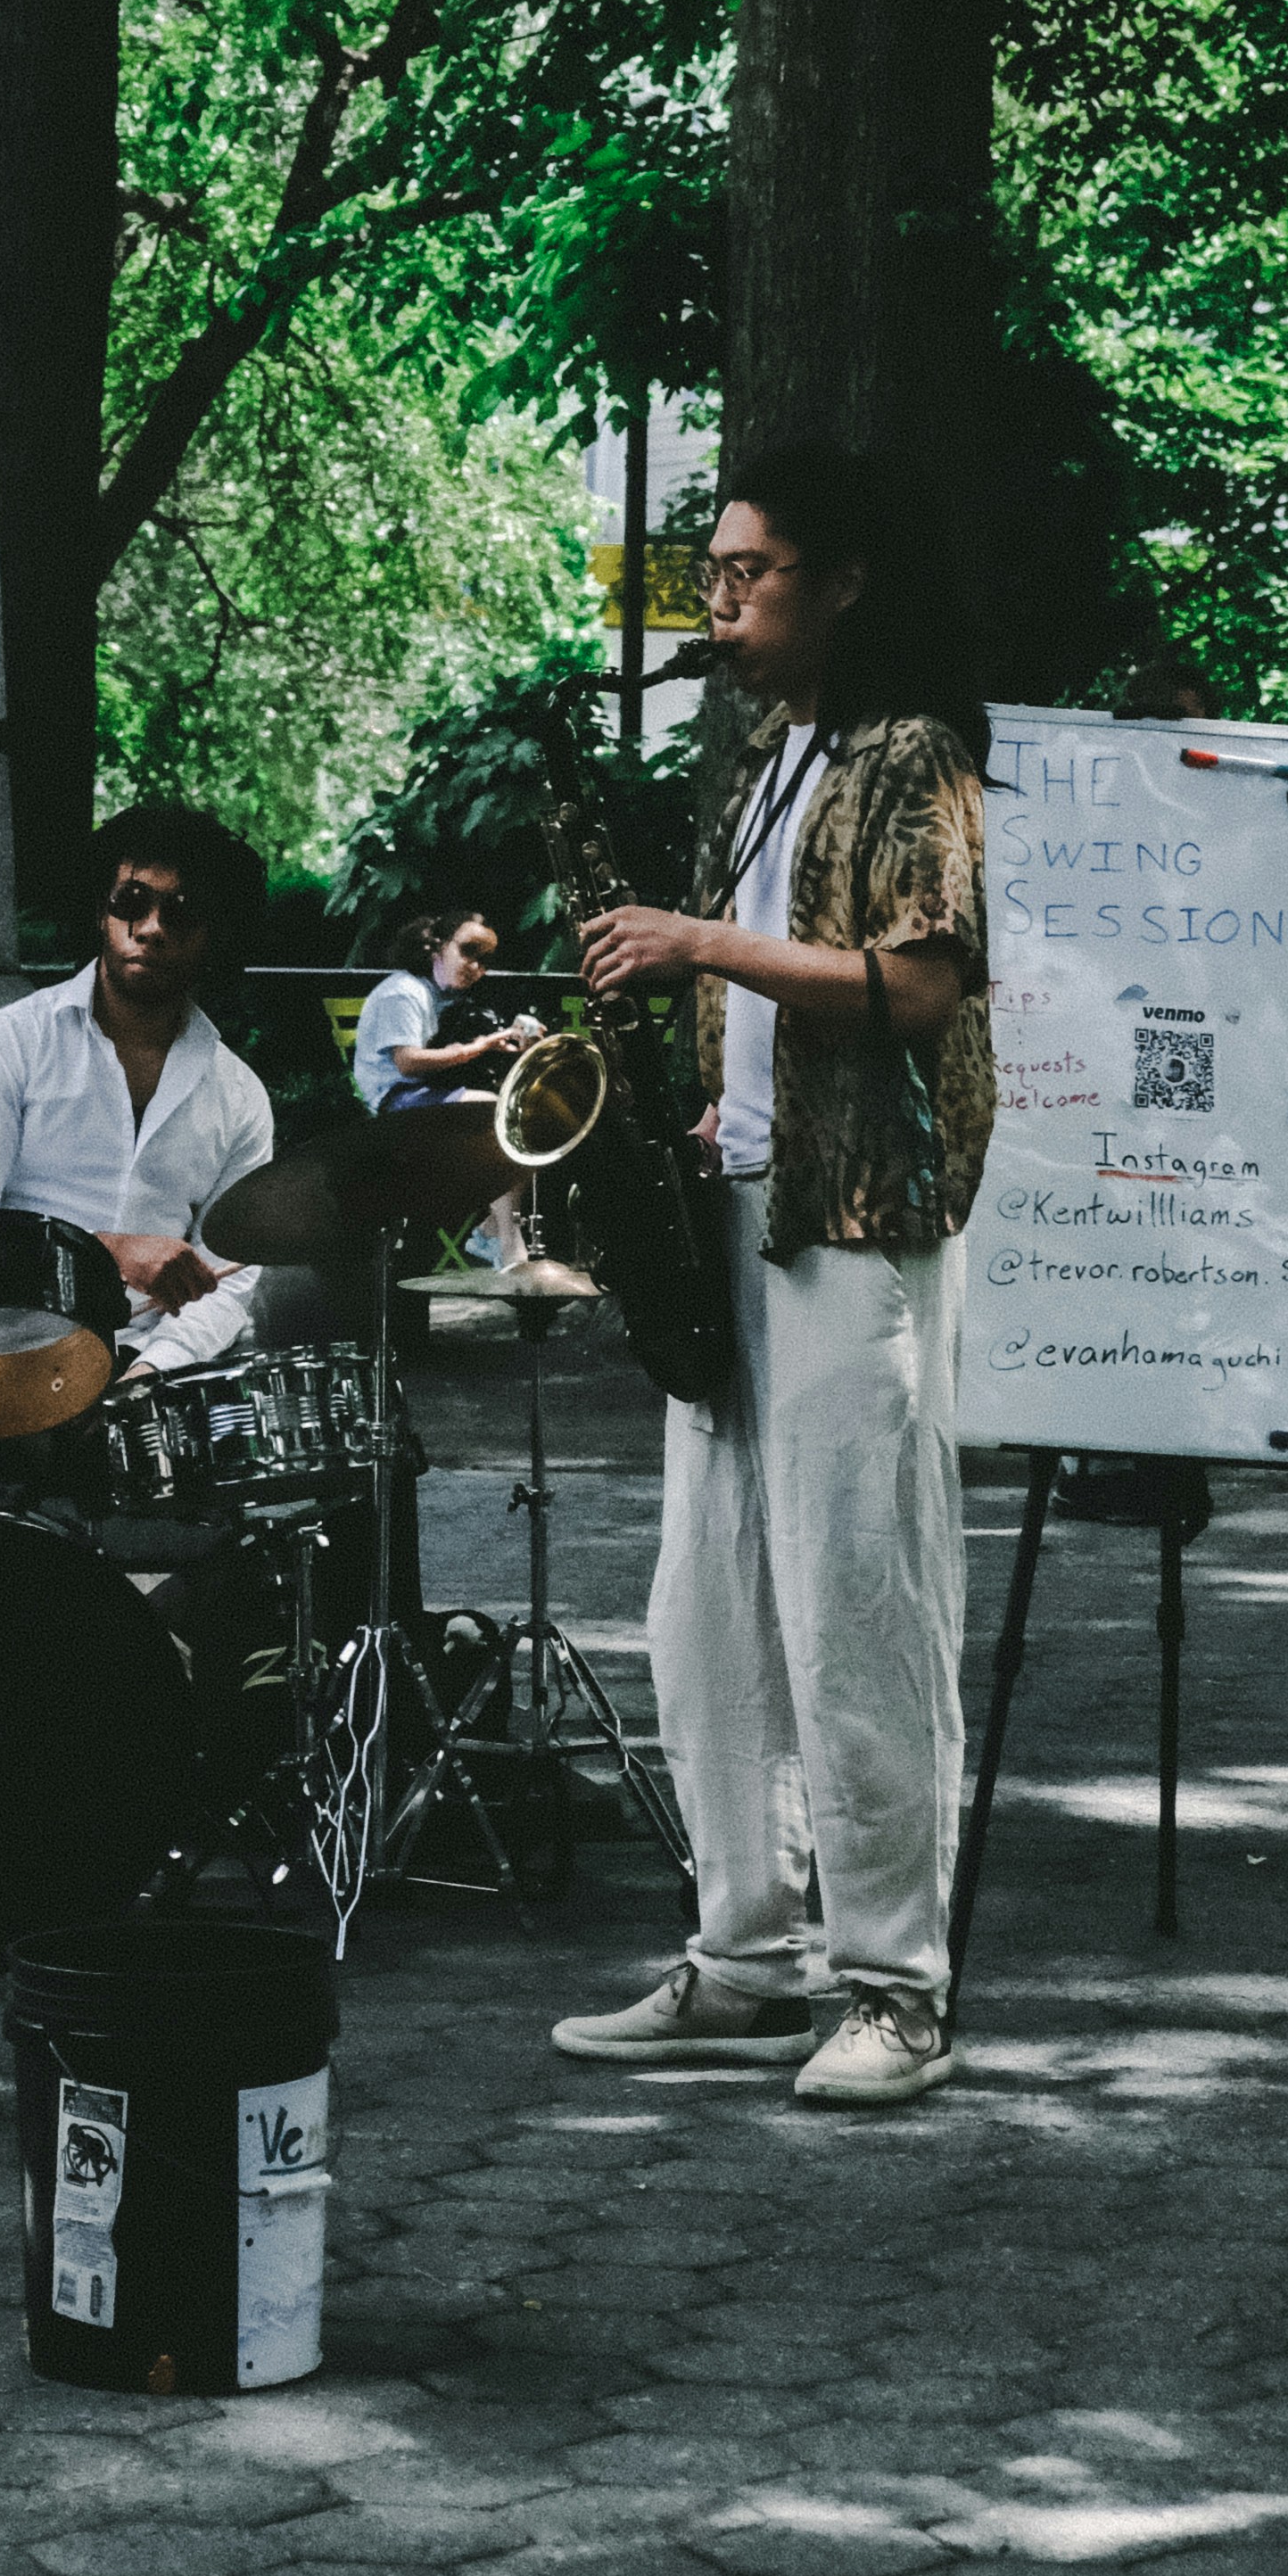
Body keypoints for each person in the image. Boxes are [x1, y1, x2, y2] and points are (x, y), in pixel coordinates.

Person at [550, 443, 997, 2111]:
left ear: (847, 584)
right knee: (706, 1617)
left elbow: (923, 985)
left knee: (853, 1612)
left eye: (754, 572)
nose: (721, 598)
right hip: (733, 1218)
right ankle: (744, 1959)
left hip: (853, 1227)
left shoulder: (909, 756)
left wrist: (701, 943)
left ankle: (895, 1989)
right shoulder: (766, 763)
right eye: (714, 572)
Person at [0, 801, 277, 1380]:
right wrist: (107, 1253)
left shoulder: (239, 1096)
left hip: (152, 1379)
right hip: (5, 1361)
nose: (152, 927)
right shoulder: (5, 1045)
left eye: (180, 913)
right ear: (101, 914)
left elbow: (228, 1278)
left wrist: (151, 1372)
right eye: (131, 903)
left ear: (212, 934)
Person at [352, 904, 533, 1276]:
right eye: (468, 952)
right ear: (436, 946)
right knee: (498, 1114)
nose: (475, 968)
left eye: (484, 961)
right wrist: (477, 1047)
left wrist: (505, 1039)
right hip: (396, 1106)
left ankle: (493, 1230)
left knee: (519, 1120)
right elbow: (408, 1062)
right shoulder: (402, 992)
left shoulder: (437, 994)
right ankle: (503, 1236)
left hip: (421, 1100)